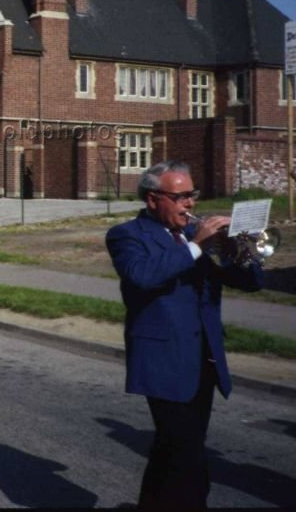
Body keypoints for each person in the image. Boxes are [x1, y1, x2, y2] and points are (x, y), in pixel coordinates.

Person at [105, 160, 263, 509]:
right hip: (164, 361)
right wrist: (196, 246)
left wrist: (244, 252)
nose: (189, 204)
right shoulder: (127, 235)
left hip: (203, 359)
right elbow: (142, 276)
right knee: (189, 459)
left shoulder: (194, 237)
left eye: (191, 195)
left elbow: (250, 284)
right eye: (179, 197)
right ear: (152, 199)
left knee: (170, 452)